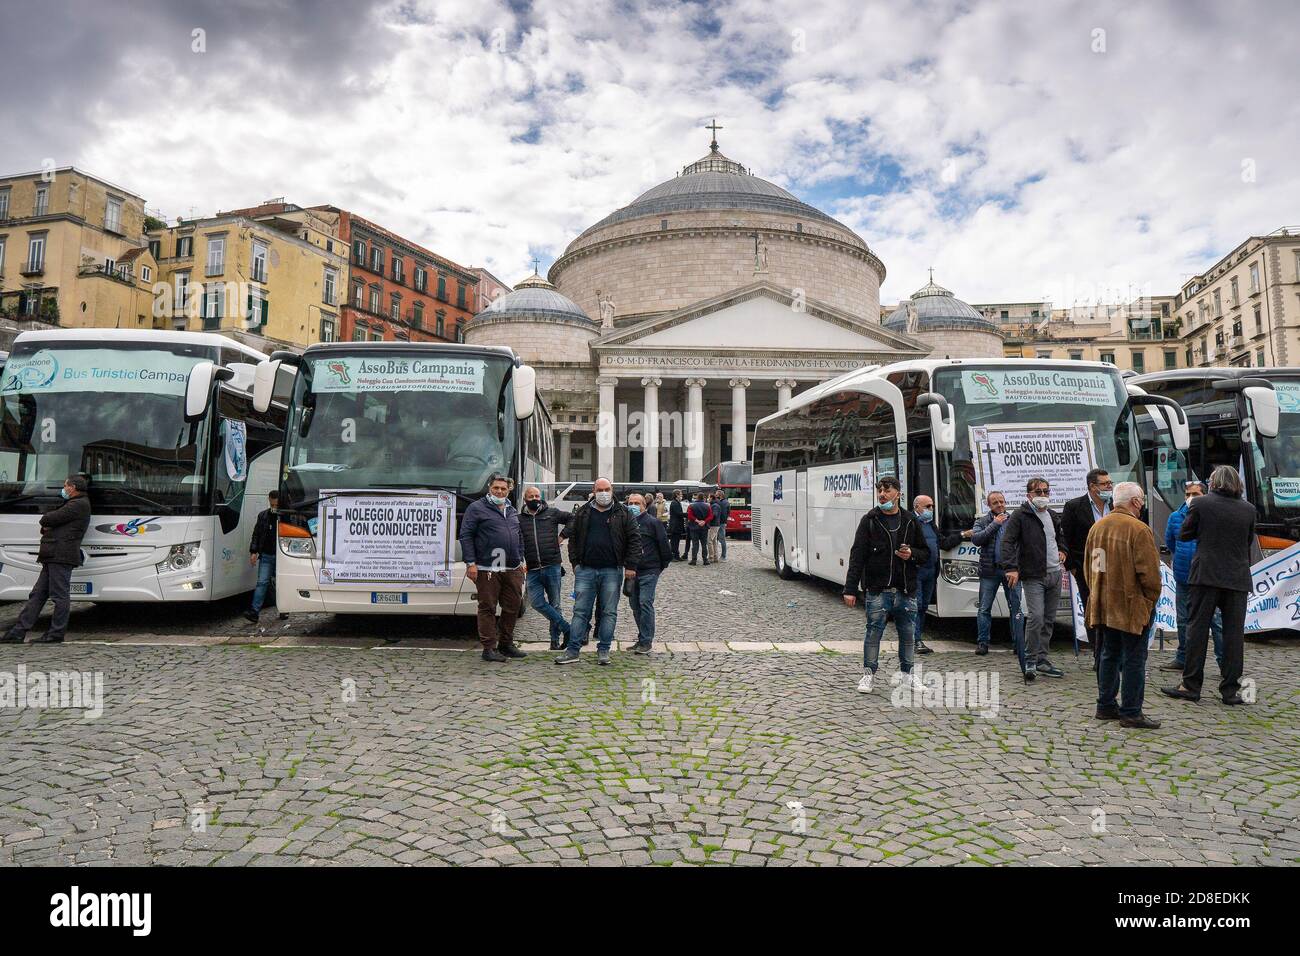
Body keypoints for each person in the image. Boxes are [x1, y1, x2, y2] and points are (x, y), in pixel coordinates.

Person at [1162, 465, 1255, 706]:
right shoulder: (1248, 509)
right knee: (1234, 635)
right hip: (1236, 577)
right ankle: (1230, 689)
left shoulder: (1201, 505)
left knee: (1197, 630)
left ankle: (1191, 684)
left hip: (1206, 575)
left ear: (1213, 483)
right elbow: (1247, 541)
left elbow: (1184, 534)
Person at [1085, 481, 1162, 728]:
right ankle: (1131, 711)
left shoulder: (1098, 527)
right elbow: (1150, 576)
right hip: (1130, 606)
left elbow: (1093, 568)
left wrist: (1100, 592)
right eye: (1141, 501)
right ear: (1136, 502)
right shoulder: (1139, 530)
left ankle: (1105, 705)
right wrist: (1150, 601)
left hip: (1104, 603)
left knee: (1108, 654)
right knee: (1133, 658)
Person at [842, 476, 929, 693]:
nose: (882, 494)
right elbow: (857, 555)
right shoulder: (870, 520)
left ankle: (908, 675)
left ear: (898, 493)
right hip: (878, 589)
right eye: (880, 490)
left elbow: (926, 553)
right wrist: (850, 589)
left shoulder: (910, 520)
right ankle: (868, 675)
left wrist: (911, 555)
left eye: (887, 490)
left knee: (908, 634)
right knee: (873, 633)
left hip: (905, 589)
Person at [556, 477, 641, 665]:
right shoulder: (583, 512)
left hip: (612, 570)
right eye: (600, 489)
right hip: (585, 569)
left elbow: (634, 540)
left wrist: (631, 566)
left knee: (609, 612)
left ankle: (604, 650)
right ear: (594, 491)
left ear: (612, 490)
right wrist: (575, 564)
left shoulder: (623, 513)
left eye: (607, 489)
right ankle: (573, 651)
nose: (603, 493)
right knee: (580, 611)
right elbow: (574, 539)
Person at [2, 475, 92, 645]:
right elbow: (53, 522)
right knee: (38, 594)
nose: (63, 489)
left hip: (61, 555)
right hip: (53, 554)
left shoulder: (78, 504)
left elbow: (47, 519)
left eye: (65, 486)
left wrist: (49, 523)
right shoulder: (74, 504)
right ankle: (18, 632)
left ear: (72, 487)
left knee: (59, 596)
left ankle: (56, 633)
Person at [1000, 477, 1067, 682]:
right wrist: (1011, 568)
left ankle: (1042, 659)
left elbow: (1059, 536)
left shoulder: (1053, 515)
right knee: (1036, 617)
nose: (1043, 495)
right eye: (1038, 492)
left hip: (1055, 573)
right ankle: (1030, 659)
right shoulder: (1020, 515)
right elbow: (1008, 542)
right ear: (1029, 494)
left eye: (1046, 491)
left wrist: (1063, 550)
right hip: (1033, 575)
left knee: (1048, 619)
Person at [458, 475, 527, 663]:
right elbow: (466, 535)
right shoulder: (476, 508)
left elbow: (518, 535)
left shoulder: (512, 509)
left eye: (503, 489)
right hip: (487, 567)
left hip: (512, 567)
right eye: (496, 488)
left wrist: (520, 558)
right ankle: (489, 648)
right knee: (487, 606)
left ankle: (506, 644)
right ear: (490, 488)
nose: (499, 491)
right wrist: (470, 563)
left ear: (509, 490)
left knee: (513, 606)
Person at [1160, 480, 1225, 674]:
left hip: (1207, 577)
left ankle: (1223, 662)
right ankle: (1183, 658)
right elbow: (1171, 543)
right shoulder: (1175, 517)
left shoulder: (1213, 515)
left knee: (1216, 622)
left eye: (1195, 494)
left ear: (1205, 495)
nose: (1190, 498)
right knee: (1183, 619)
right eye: (1187, 494)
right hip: (1183, 577)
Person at [1061, 468, 1112, 667]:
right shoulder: (1074, 506)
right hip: (1087, 565)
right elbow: (1066, 538)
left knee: (1111, 609)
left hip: (1113, 564)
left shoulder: (1116, 504)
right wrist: (1073, 567)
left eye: (1110, 483)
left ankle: (1112, 652)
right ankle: (1098, 654)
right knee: (1093, 609)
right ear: (1092, 486)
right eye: (1105, 483)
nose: (1109, 486)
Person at [968, 491, 1023, 658]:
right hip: (989, 571)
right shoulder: (982, 521)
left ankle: (1018, 643)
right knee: (984, 608)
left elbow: (1022, 542)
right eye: (995, 503)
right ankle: (983, 643)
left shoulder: (1015, 519)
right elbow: (976, 539)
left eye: (1001, 502)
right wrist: (995, 524)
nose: (999, 505)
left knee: (1016, 607)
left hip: (1011, 570)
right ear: (989, 505)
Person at [520, 485, 574, 651]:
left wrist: (563, 535)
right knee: (536, 602)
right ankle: (568, 629)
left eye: (537, 496)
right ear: (525, 499)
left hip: (552, 565)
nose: (535, 499)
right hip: (532, 568)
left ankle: (554, 641)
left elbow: (574, 518)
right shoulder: (519, 519)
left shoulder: (552, 512)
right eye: (531, 496)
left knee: (555, 604)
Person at [910, 493, 962, 655]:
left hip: (931, 572)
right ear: (917, 507)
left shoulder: (930, 523)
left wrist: (962, 535)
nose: (931, 509)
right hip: (916, 571)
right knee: (915, 606)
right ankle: (914, 639)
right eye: (928, 506)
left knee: (924, 606)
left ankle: (917, 637)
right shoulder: (910, 522)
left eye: (932, 506)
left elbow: (943, 543)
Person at [626, 492, 671, 653]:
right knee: (634, 605)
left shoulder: (653, 523)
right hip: (631, 572)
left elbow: (665, 546)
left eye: (637, 503)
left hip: (649, 570)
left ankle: (646, 641)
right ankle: (641, 637)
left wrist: (659, 567)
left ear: (644, 506)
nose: (633, 506)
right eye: (630, 503)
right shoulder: (625, 523)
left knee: (645, 602)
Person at [245, 491, 281, 623]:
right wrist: (253, 552)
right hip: (267, 554)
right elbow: (257, 534)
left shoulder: (284, 515)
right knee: (262, 582)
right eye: (272, 504)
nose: (274, 507)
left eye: (275, 504)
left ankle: (283, 609)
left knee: (279, 583)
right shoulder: (264, 516)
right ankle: (254, 611)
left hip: (281, 555)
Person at [687, 493, 712, 565]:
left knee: (695, 544)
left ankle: (694, 560)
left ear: (697, 498)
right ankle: (705, 560)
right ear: (704, 498)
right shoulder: (708, 506)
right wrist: (704, 521)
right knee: (704, 544)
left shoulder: (691, 506)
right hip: (704, 527)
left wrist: (697, 521)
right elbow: (711, 516)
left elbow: (689, 516)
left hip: (694, 527)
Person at [668, 489, 687, 560]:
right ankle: (673, 556)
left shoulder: (677, 502)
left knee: (676, 541)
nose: (682, 495)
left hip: (677, 526)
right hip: (675, 526)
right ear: (677, 495)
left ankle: (676, 556)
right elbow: (679, 514)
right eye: (681, 494)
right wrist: (688, 514)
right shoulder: (674, 503)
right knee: (674, 542)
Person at [707, 492, 722, 563]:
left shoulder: (714, 506)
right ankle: (715, 557)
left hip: (714, 525)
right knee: (714, 541)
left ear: (711, 498)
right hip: (715, 525)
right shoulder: (714, 505)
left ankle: (711, 557)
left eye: (708, 497)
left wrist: (707, 518)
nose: (708, 499)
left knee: (709, 541)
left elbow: (714, 515)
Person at [715, 490, 731, 560]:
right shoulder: (726, 502)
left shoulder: (722, 502)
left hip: (720, 523)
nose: (715, 495)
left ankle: (723, 556)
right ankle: (718, 555)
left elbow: (723, 514)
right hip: (722, 523)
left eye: (716, 494)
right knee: (719, 539)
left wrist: (720, 521)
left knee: (721, 540)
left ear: (720, 495)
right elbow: (728, 513)